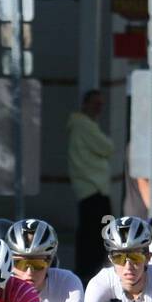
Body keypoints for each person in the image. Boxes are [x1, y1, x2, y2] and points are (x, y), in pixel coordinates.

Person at [67, 90, 115, 284]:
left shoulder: (84, 125)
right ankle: (90, 270)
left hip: (93, 189)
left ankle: (90, 269)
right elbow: (108, 147)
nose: (98, 109)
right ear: (85, 104)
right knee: (99, 231)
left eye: (101, 104)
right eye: (95, 104)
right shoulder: (83, 125)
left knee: (92, 231)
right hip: (93, 189)